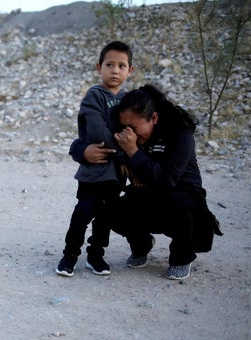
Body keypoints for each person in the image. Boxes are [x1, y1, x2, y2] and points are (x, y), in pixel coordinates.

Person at [106, 84, 222, 280]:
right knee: (110, 207)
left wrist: (133, 153)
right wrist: (122, 158)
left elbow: (167, 180)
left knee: (179, 203)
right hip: (149, 195)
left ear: (154, 118)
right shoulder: (128, 136)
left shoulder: (180, 132)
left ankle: (181, 257)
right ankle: (141, 244)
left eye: (133, 127)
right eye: (124, 127)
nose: (129, 134)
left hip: (183, 198)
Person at [55, 41, 134, 277]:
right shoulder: (94, 95)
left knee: (105, 218)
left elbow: (134, 131)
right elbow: (98, 131)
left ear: (130, 71)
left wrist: (129, 156)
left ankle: (96, 256)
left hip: (115, 175)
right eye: (110, 65)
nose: (115, 70)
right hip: (93, 170)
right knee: (83, 212)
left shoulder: (131, 99)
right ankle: (70, 255)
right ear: (99, 67)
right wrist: (123, 153)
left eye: (122, 66)